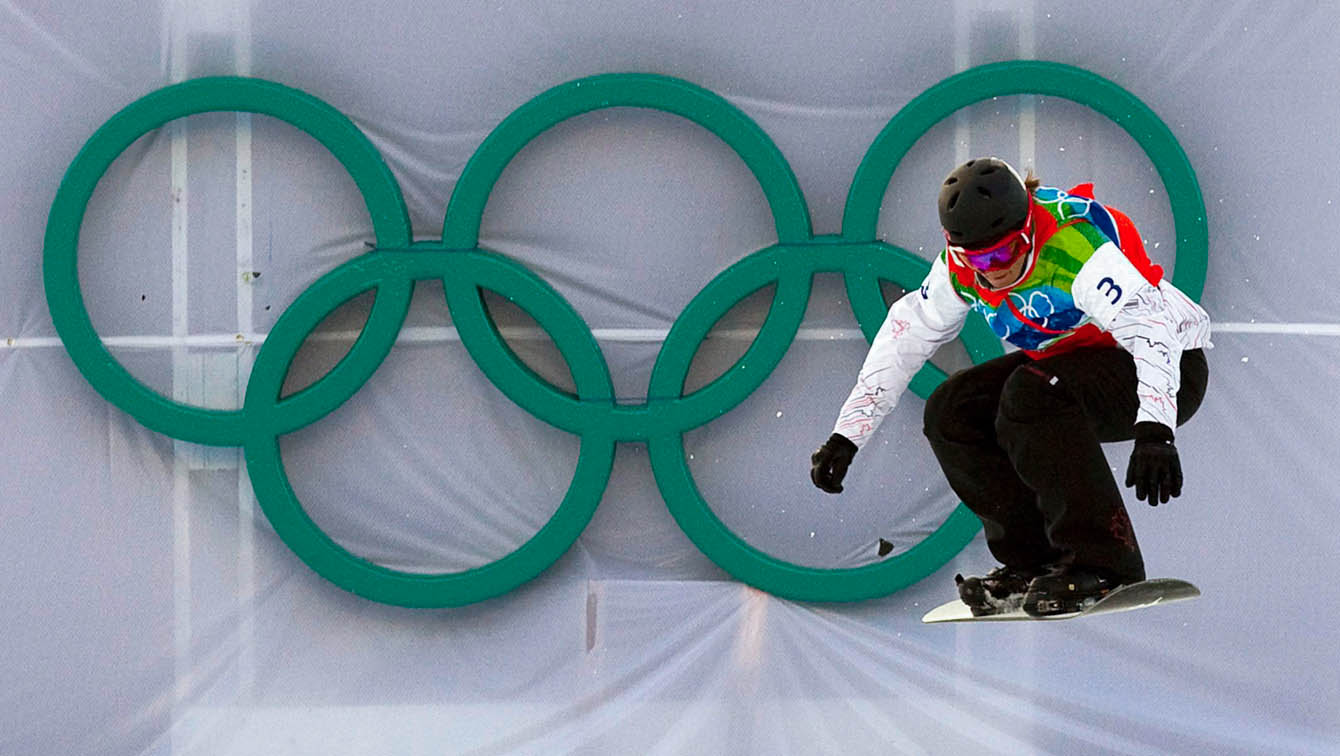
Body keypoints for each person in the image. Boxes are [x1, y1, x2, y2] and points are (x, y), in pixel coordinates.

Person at [810, 157, 1212, 617]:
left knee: (1030, 394)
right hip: (1072, 365)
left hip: (1167, 366)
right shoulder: (960, 268)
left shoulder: (1073, 248)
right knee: (951, 410)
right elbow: (904, 339)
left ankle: (1106, 564)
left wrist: (1156, 429)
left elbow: (1151, 329)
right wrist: (846, 436)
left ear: (1028, 232)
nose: (995, 270)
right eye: (980, 259)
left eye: (1005, 253)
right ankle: (1033, 561)